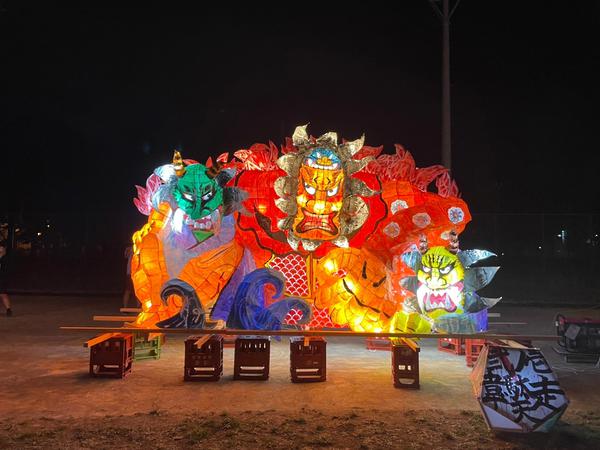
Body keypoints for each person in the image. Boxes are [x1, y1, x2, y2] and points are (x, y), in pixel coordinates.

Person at [0, 242, 12, 317]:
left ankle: (8, 309)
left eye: (1, 248)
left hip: (2, 278)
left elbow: (7, 269)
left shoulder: (6, 258)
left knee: (3, 294)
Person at [122, 244, 134, 309]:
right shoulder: (130, 248)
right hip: (130, 272)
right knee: (128, 290)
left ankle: (138, 307)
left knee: (139, 291)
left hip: (139, 273)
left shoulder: (141, 247)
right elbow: (126, 255)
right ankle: (125, 307)